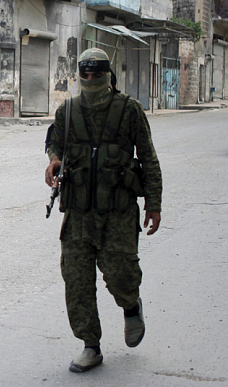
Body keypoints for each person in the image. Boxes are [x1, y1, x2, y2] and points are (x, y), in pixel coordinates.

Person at [44, 48, 162, 373]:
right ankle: (90, 345)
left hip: (118, 213)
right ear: (80, 75)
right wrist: (54, 160)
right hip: (79, 213)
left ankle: (131, 305)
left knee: (122, 275)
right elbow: (55, 143)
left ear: (109, 75)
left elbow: (149, 158)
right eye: (87, 74)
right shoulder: (67, 111)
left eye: (98, 74)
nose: (92, 80)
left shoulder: (130, 110)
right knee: (77, 282)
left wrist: (154, 204)